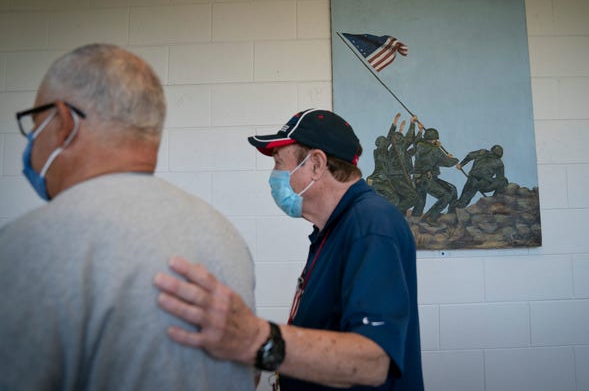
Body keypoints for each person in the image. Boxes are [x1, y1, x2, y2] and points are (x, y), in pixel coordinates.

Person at [0, 44, 256, 391]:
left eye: (35, 125)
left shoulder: (25, 246)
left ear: (63, 123)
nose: (32, 141)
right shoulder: (224, 235)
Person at [154, 108, 425, 391]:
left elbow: (374, 361)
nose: (274, 177)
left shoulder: (371, 226)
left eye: (279, 163)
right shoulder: (334, 229)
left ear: (317, 165)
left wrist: (257, 340)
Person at [411, 127, 459, 223]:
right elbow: (448, 163)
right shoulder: (434, 150)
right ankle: (430, 217)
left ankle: (414, 221)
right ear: (434, 139)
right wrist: (454, 159)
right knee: (446, 195)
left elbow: (417, 141)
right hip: (426, 179)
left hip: (418, 179)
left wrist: (435, 145)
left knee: (420, 202)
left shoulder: (419, 145)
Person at [451, 144, 509, 210]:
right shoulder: (499, 162)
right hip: (481, 183)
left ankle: (452, 211)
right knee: (504, 181)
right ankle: (495, 202)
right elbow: (500, 178)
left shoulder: (483, 152)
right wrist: (461, 164)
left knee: (464, 199)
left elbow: (470, 156)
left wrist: (461, 164)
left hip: (477, 181)